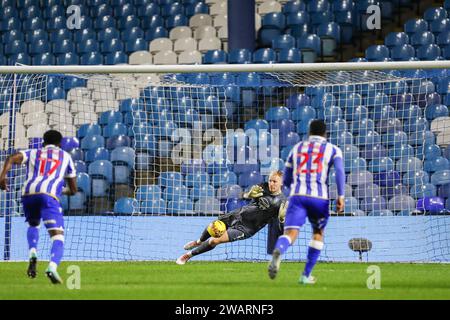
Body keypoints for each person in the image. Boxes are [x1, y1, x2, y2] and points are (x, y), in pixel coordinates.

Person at [268, 119, 345, 284]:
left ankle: (279, 251)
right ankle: (305, 275)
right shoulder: (333, 149)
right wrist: (341, 196)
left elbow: (287, 177)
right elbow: (339, 171)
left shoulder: (297, 148)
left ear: (309, 133)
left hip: (297, 197)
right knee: (318, 233)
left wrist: (293, 188)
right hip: (319, 198)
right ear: (325, 133)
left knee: (290, 234)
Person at [0, 130, 77, 284]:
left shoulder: (33, 152)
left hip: (28, 193)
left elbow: (11, 158)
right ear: (60, 144)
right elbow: (73, 189)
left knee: (33, 224)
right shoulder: (66, 156)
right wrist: (60, 191)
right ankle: (52, 267)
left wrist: (2, 176)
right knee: (57, 236)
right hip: (48, 196)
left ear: (43, 142)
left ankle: (33, 252)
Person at [176, 170, 287, 265]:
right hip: (238, 215)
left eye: (274, 181)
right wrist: (249, 194)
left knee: (215, 241)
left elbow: (281, 230)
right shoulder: (263, 186)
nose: (271, 183)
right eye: (270, 180)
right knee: (214, 225)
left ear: (281, 182)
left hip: (246, 228)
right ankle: (199, 241)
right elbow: (246, 196)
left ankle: (188, 255)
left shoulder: (282, 202)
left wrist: (282, 220)